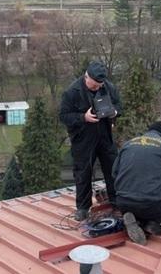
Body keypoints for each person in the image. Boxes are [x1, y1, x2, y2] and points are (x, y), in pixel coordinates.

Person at [59, 61, 122, 221]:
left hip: (105, 135)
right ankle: (83, 207)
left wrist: (114, 112)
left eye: (99, 86)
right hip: (83, 138)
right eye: (94, 87)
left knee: (112, 169)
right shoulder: (72, 92)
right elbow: (64, 116)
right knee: (83, 172)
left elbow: (119, 104)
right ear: (86, 77)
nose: (97, 89)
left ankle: (117, 203)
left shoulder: (108, 87)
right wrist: (83, 117)